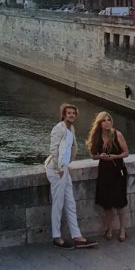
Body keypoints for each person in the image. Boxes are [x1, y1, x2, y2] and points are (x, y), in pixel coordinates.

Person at [45, 103, 96, 249]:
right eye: (69, 113)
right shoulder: (58, 129)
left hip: (64, 169)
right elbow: (53, 149)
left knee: (70, 203)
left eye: (74, 113)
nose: (72, 115)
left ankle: (77, 236)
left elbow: (69, 150)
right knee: (58, 203)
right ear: (64, 115)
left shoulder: (71, 128)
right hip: (56, 170)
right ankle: (56, 237)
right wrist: (59, 168)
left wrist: (65, 166)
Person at [86, 111, 129, 240]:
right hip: (104, 171)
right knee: (107, 203)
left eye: (108, 120)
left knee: (120, 202)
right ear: (100, 123)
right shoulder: (96, 137)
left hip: (117, 171)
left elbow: (126, 153)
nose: (107, 123)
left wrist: (115, 156)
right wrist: (101, 156)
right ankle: (109, 228)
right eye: (104, 121)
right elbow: (93, 156)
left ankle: (122, 229)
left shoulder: (117, 134)